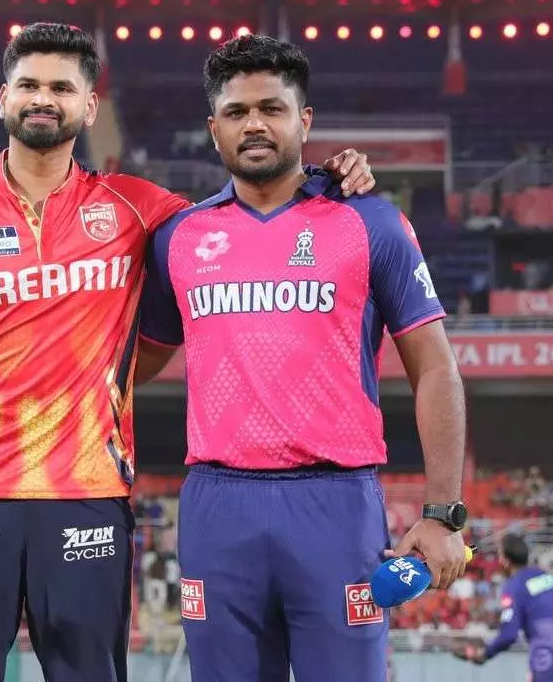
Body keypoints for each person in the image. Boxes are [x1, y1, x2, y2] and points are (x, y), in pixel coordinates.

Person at [0, 22, 377, 682]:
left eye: (61, 88)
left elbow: (244, 213)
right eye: (28, 85)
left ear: (88, 107)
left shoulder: (139, 209)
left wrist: (325, 176)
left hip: (88, 497)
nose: (42, 99)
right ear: (3, 98)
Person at [134, 34, 468, 681]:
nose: (254, 124)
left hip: (334, 503)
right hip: (217, 506)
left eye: (272, 108)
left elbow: (435, 368)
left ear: (304, 120)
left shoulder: (370, 222)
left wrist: (443, 512)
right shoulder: (179, 237)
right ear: (213, 128)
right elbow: (134, 364)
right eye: (236, 112)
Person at [455, 533, 553, 681]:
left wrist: (485, 654)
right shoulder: (547, 576)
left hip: (547, 652)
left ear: (506, 561)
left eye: (500, 555)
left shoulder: (514, 586)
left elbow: (509, 634)